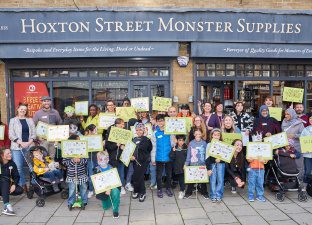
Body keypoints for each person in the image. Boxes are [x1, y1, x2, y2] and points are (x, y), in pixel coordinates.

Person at [8, 103, 36, 191]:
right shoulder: (13, 120)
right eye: (21, 109)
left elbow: (34, 134)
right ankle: (23, 185)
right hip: (17, 147)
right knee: (19, 167)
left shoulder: (30, 120)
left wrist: (28, 143)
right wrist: (20, 142)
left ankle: (34, 184)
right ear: (18, 109)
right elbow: (11, 134)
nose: (23, 110)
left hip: (29, 146)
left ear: (26, 111)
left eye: (24, 109)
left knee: (32, 166)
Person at [62, 134, 88, 211]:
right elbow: (65, 162)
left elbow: (86, 160)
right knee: (72, 189)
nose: (79, 141)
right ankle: (71, 202)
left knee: (83, 187)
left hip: (81, 173)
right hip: (72, 174)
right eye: (78, 140)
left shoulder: (82, 150)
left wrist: (80, 160)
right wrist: (72, 160)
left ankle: (84, 200)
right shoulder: (67, 151)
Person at [152, 114, 173, 198]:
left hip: (169, 157)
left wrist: (174, 140)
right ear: (156, 122)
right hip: (159, 157)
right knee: (159, 175)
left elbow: (173, 144)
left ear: (165, 121)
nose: (160, 122)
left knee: (169, 174)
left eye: (162, 120)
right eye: (158, 121)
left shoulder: (170, 131)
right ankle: (159, 189)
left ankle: (168, 188)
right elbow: (153, 147)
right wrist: (153, 159)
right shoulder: (155, 133)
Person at [95, 151, 120, 219]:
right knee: (106, 207)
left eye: (105, 159)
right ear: (97, 160)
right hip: (102, 190)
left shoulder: (112, 168)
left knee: (116, 192)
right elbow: (97, 184)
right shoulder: (96, 170)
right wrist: (105, 189)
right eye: (100, 159)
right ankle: (109, 199)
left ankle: (115, 210)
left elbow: (115, 181)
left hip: (113, 187)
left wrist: (110, 188)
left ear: (108, 159)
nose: (103, 161)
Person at [131, 123, 153, 202]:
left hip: (143, 162)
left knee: (139, 177)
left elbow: (146, 149)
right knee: (136, 176)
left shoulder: (146, 139)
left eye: (140, 130)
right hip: (134, 161)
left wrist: (136, 156)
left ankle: (142, 192)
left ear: (143, 130)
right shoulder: (134, 139)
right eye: (137, 130)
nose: (138, 132)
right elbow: (131, 149)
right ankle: (136, 191)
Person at [184, 129, 209, 199]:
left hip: (202, 164)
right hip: (193, 164)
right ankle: (188, 192)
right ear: (194, 135)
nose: (198, 135)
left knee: (203, 180)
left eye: (199, 134)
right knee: (191, 179)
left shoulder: (204, 143)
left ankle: (204, 192)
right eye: (196, 134)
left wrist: (206, 164)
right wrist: (186, 163)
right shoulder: (191, 143)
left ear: (201, 134)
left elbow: (206, 154)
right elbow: (189, 154)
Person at [282, 108, 305, 181]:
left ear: (292, 114)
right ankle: (289, 180)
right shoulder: (284, 122)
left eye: (288, 114)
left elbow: (303, 135)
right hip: (287, 147)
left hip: (297, 147)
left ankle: (298, 180)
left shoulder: (299, 123)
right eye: (285, 114)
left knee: (298, 164)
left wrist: (294, 135)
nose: (286, 116)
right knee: (288, 164)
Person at [104, 118, 126, 195]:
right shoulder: (110, 132)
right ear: (117, 124)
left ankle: (121, 187)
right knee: (113, 173)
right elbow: (107, 146)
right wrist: (116, 145)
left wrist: (124, 146)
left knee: (121, 173)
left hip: (122, 157)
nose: (123, 126)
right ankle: (114, 188)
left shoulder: (124, 132)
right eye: (122, 124)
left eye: (123, 124)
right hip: (113, 158)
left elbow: (128, 143)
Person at [0, 148, 23, 216]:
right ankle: (6, 205)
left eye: (10, 153)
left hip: (6, 184)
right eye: (8, 153)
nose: (10, 154)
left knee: (19, 190)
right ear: (2, 155)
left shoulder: (12, 163)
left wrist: (14, 185)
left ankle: (3, 195)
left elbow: (16, 176)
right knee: (4, 180)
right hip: (3, 182)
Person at [206, 128, 226, 202]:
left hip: (221, 165)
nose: (216, 136)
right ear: (212, 136)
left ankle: (219, 194)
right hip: (212, 164)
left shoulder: (223, 144)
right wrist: (208, 168)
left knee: (220, 179)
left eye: (218, 135)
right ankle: (213, 194)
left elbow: (226, 157)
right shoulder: (209, 145)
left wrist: (220, 159)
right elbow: (207, 157)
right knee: (213, 180)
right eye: (215, 135)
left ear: (220, 136)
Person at [84, 124, 100, 198]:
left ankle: (97, 190)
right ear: (90, 131)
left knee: (97, 173)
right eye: (94, 130)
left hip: (96, 157)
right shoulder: (85, 138)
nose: (96, 131)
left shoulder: (98, 137)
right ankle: (91, 190)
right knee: (90, 174)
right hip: (89, 158)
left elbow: (100, 149)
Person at [169, 135, 188, 199]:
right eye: (179, 140)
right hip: (176, 166)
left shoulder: (186, 148)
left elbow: (188, 157)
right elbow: (171, 157)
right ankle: (179, 187)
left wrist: (186, 164)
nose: (181, 142)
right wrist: (173, 151)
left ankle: (182, 190)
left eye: (182, 140)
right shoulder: (174, 147)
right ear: (177, 140)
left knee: (182, 179)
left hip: (184, 166)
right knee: (178, 178)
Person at [300, 115, 312, 190]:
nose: (311, 119)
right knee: (307, 171)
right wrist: (305, 147)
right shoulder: (305, 129)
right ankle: (305, 185)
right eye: (310, 118)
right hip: (308, 154)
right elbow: (302, 140)